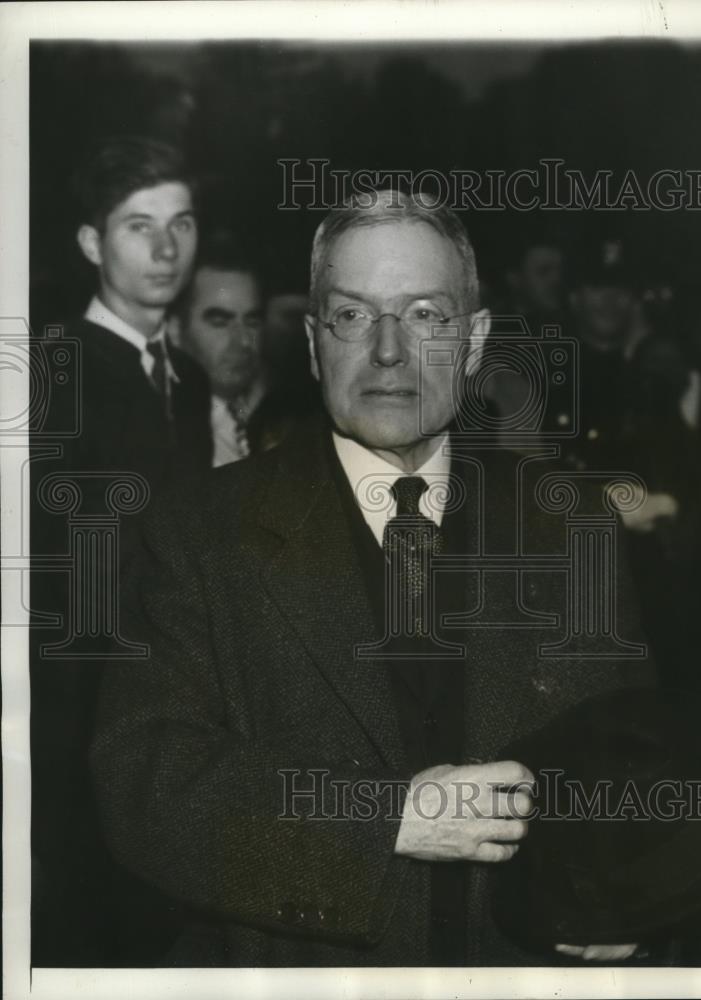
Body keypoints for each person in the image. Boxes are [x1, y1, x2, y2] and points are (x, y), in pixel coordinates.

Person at [90, 191, 653, 967]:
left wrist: (627, 891)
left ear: (476, 339)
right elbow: (143, 783)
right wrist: (387, 816)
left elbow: (628, 767)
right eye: (353, 316)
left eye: (425, 314)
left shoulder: (571, 526)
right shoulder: (197, 531)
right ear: (317, 343)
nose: (388, 350)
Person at [30, 135, 212, 965]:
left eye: (182, 222)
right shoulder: (55, 368)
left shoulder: (187, 377)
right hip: (81, 701)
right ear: (90, 244)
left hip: (172, 696)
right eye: (139, 225)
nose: (167, 248)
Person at [169, 235, 306, 464]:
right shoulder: (168, 435)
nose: (243, 341)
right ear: (175, 330)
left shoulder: (275, 420)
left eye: (252, 321)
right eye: (220, 322)